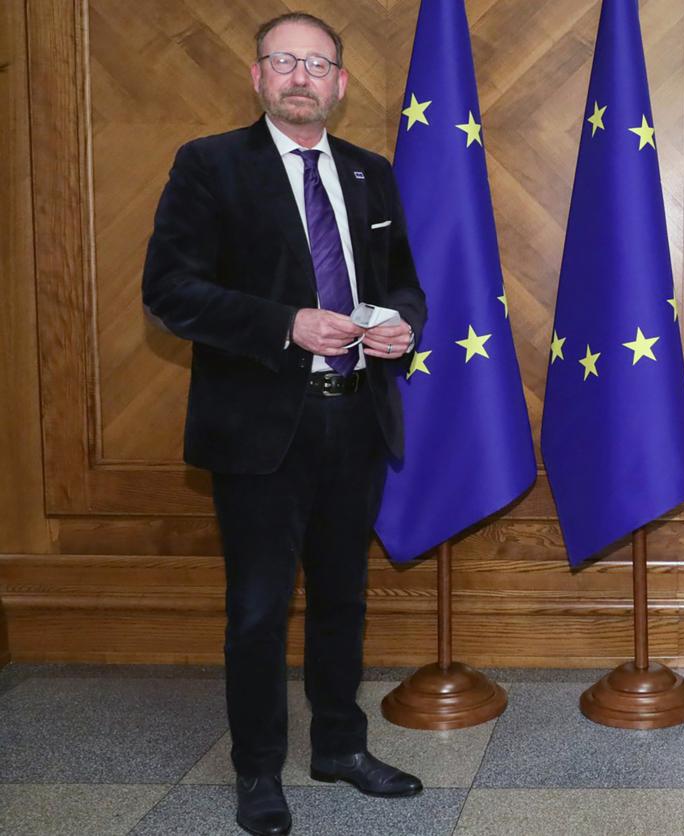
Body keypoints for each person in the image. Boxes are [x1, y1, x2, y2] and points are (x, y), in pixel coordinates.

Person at [142, 12, 427, 836]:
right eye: (284, 61)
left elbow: (402, 282)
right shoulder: (209, 165)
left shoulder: (371, 173)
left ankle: (339, 747)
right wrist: (285, 324)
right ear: (258, 76)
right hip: (260, 430)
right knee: (259, 612)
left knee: (343, 600)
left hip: (358, 420)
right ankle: (259, 771)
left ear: (340, 84)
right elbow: (169, 291)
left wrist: (403, 325)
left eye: (317, 64)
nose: (301, 77)